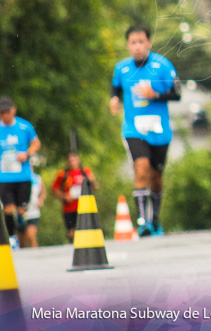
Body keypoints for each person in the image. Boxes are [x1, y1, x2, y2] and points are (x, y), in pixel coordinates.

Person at [110, 26, 181, 236]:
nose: (137, 46)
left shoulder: (162, 65)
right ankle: (142, 222)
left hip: (159, 129)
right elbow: (115, 88)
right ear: (128, 45)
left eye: (141, 41)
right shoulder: (121, 68)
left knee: (156, 176)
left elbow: (177, 94)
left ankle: (155, 218)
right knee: (141, 169)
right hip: (134, 128)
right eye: (133, 42)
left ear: (148, 42)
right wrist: (114, 100)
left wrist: (155, 95)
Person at [0, 96, 41, 248]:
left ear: (13, 111)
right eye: (1, 113)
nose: (4, 116)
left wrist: (27, 153)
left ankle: (21, 234)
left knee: (21, 210)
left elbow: (36, 143)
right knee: (8, 209)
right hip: (4, 178)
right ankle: (12, 238)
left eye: (6, 112)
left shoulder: (24, 126)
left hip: (23, 176)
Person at [51, 152, 99, 243]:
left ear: (78, 160)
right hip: (69, 208)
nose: (72, 162)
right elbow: (54, 189)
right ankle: (74, 246)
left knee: (86, 229)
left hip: (84, 206)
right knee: (71, 232)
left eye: (74, 160)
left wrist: (92, 182)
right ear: (67, 162)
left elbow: (95, 186)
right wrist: (64, 196)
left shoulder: (85, 172)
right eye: (70, 161)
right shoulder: (63, 174)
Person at [17, 170, 45, 248]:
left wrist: (41, 200)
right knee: (21, 238)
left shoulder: (37, 178)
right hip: (21, 211)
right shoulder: (18, 178)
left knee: (31, 235)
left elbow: (43, 191)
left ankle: (36, 255)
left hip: (33, 211)